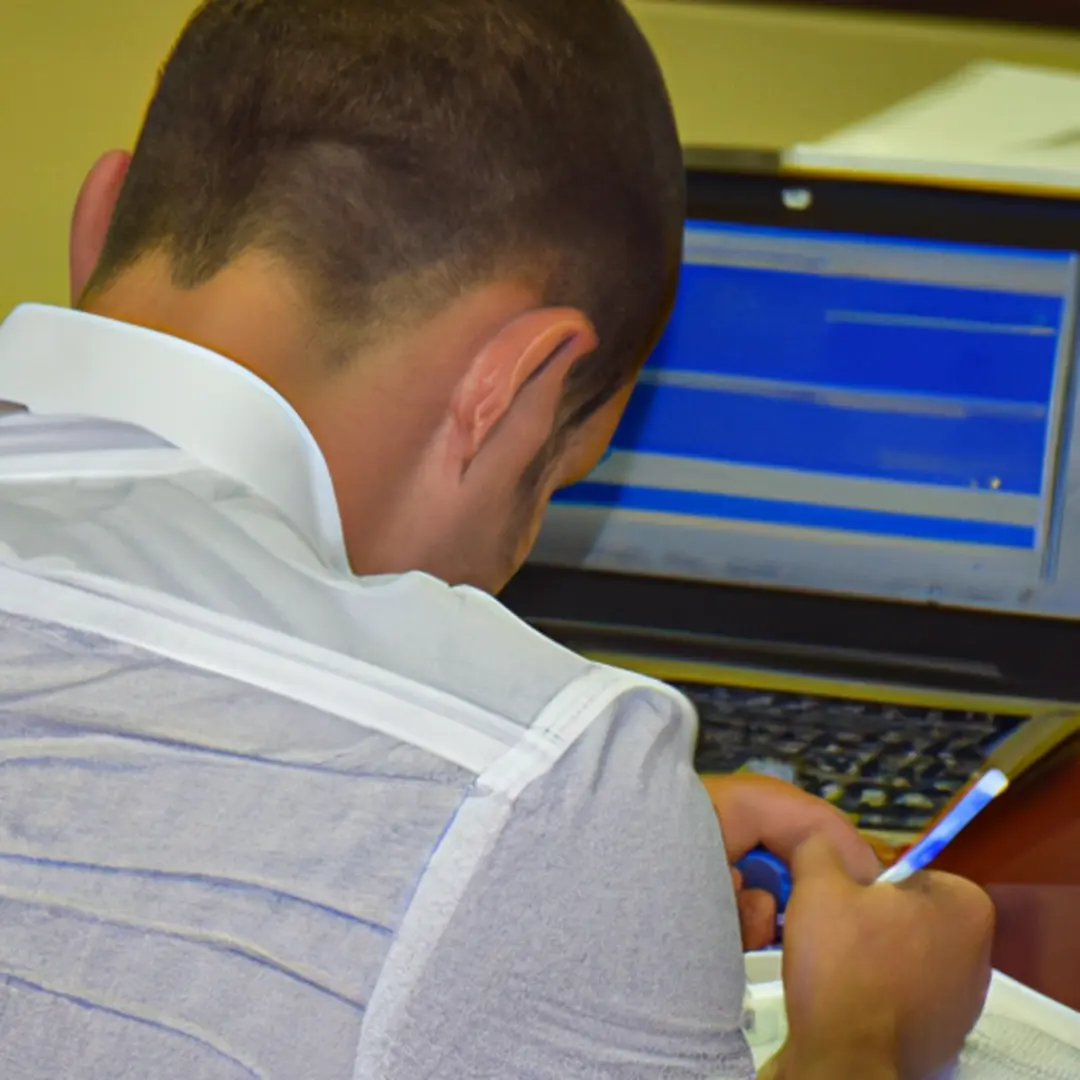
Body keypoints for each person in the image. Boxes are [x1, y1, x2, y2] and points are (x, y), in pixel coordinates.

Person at [0, 2, 993, 1078]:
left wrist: (541, 873)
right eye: (550, 484)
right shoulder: (549, 775)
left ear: (98, 222)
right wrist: (867, 1035)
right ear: (506, 387)